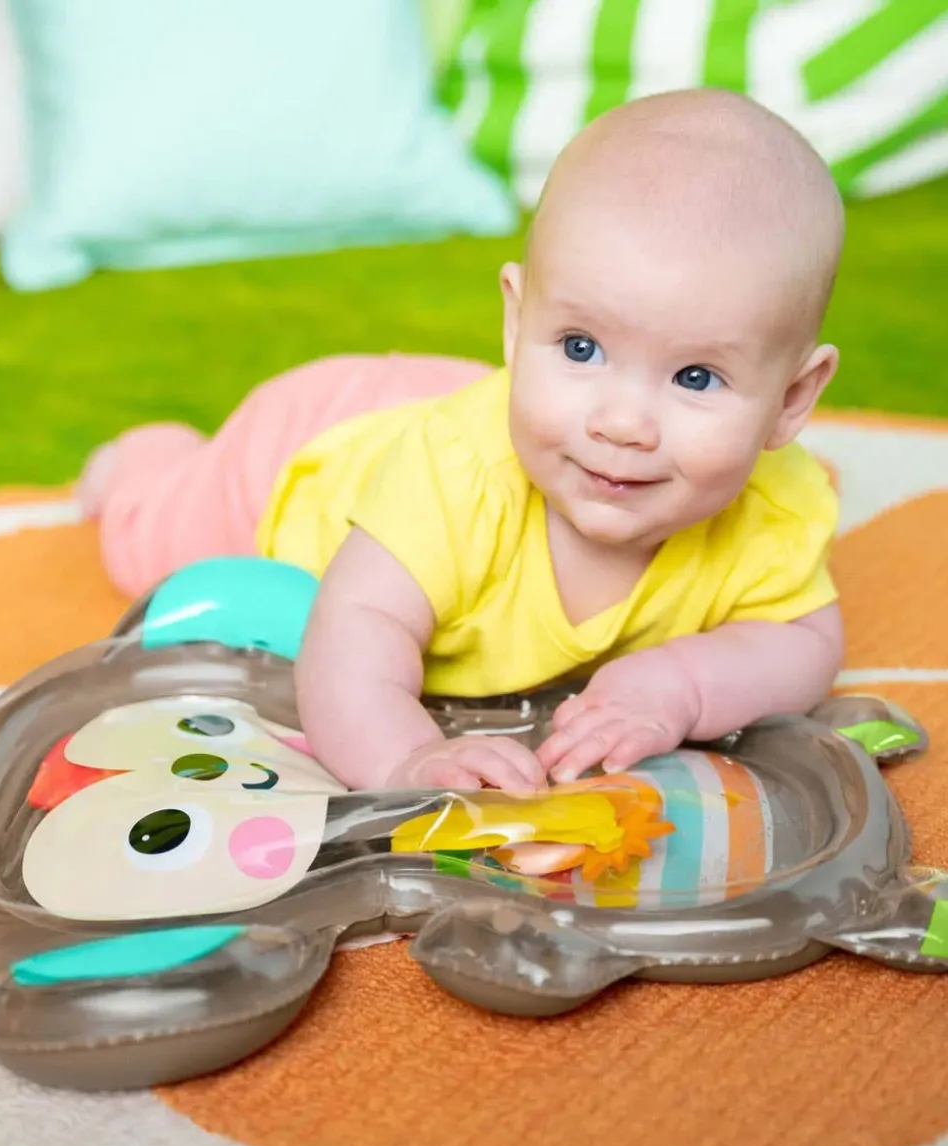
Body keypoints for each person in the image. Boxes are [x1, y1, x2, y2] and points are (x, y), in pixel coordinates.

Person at [79, 88, 845, 794]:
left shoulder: (774, 504)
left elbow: (805, 641)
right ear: (519, 323)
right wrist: (407, 758)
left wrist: (680, 683)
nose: (623, 424)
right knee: (148, 539)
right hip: (302, 451)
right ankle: (148, 460)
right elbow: (352, 638)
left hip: (471, 405)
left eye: (696, 378)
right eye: (579, 346)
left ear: (791, 400)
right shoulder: (451, 482)